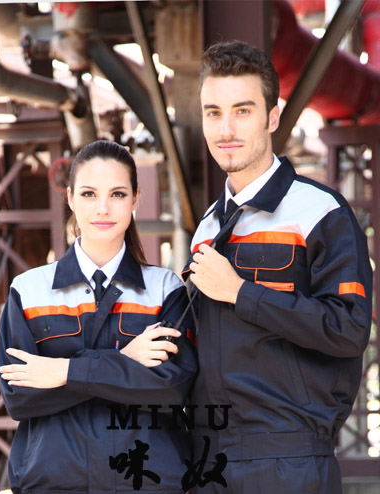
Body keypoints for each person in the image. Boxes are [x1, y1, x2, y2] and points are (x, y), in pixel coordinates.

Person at [182, 40, 373, 493]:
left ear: (272, 117)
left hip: (289, 460)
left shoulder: (319, 212)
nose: (226, 129)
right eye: (213, 112)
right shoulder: (207, 227)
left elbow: (348, 329)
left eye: (242, 111)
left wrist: (241, 293)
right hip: (209, 459)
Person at [0, 140, 198, 493]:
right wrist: (125, 362)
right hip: (54, 484)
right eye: (89, 194)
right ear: (71, 198)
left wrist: (63, 372)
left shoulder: (165, 290)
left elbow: (170, 388)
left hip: (148, 483)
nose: (103, 208)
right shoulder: (28, 292)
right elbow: (20, 396)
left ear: (135, 199)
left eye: (117, 194)